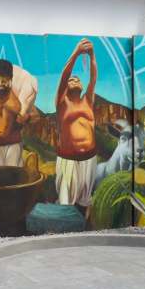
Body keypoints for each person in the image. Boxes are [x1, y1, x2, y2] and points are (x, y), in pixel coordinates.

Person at [55, 38, 98, 207]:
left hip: (89, 158)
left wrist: (92, 55)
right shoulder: (62, 103)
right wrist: (76, 52)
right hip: (68, 160)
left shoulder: (88, 100)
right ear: (65, 88)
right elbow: (64, 75)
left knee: (86, 202)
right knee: (66, 203)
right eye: (71, 80)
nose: (74, 80)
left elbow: (93, 77)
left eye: (78, 79)